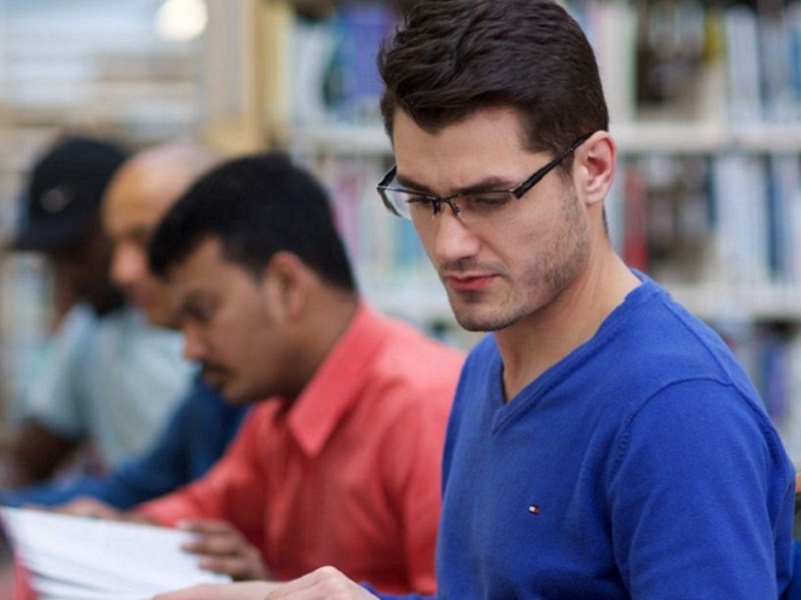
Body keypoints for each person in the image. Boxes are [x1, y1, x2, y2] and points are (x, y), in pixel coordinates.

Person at [155, 1, 796, 598]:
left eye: (490, 198)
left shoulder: (675, 412)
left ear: (594, 170)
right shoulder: (488, 365)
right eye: (423, 200)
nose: (450, 244)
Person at [131, 152, 463, 594]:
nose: (190, 350)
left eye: (203, 312)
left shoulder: (424, 409)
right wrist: (109, 528)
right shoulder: (277, 409)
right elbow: (200, 514)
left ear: (287, 285)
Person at [1, 142, 248, 512]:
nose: (124, 270)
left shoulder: (253, 363)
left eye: (142, 241)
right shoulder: (91, 329)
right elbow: (150, 486)